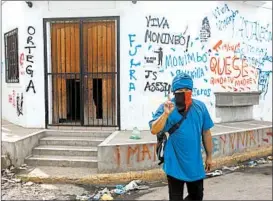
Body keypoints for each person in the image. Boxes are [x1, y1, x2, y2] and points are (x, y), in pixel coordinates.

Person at [149, 73, 214, 201]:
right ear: (174, 92)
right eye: (179, 91)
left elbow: (206, 132)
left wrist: (210, 156)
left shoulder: (200, 107)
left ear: (191, 90)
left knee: (197, 196)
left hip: (195, 163)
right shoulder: (166, 107)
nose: (184, 93)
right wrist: (165, 115)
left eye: (187, 90)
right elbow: (154, 129)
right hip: (174, 162)